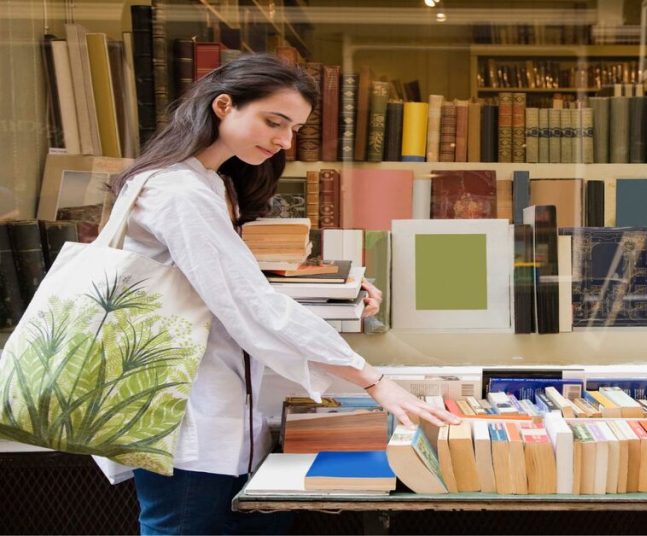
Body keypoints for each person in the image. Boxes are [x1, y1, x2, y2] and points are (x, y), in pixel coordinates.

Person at [106, 54, 459, 535]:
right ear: (223, 105)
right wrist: (373, 380)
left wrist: (342, 292)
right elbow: (247, 303)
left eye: (293, 128)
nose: (283, 141)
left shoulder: (211, 184)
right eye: (274, 122)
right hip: (189, 425)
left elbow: (221, 287)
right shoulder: (178, 192)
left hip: (228, 420)